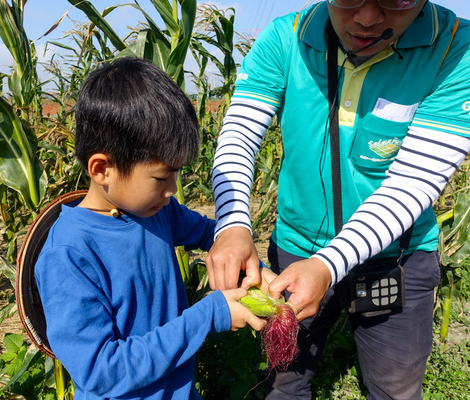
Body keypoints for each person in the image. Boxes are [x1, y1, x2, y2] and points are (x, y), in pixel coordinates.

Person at [206, 0, 470, 398]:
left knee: (395, 387)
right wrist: (232, 225)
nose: (366, 18)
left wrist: (329, 264)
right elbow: (239, 137)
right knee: (286, 377)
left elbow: (412, 183)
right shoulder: (287, 37)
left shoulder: (455, 49)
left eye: (396, 1)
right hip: (295, 251)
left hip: (394, 259)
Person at [34, 57, 273, 400]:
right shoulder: (70, 254)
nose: (172, 190)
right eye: (161, 178)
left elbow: (212, 234)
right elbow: (103, 371)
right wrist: (208, 314)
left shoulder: (156, 211)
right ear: (102, 169)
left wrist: (252, 267)